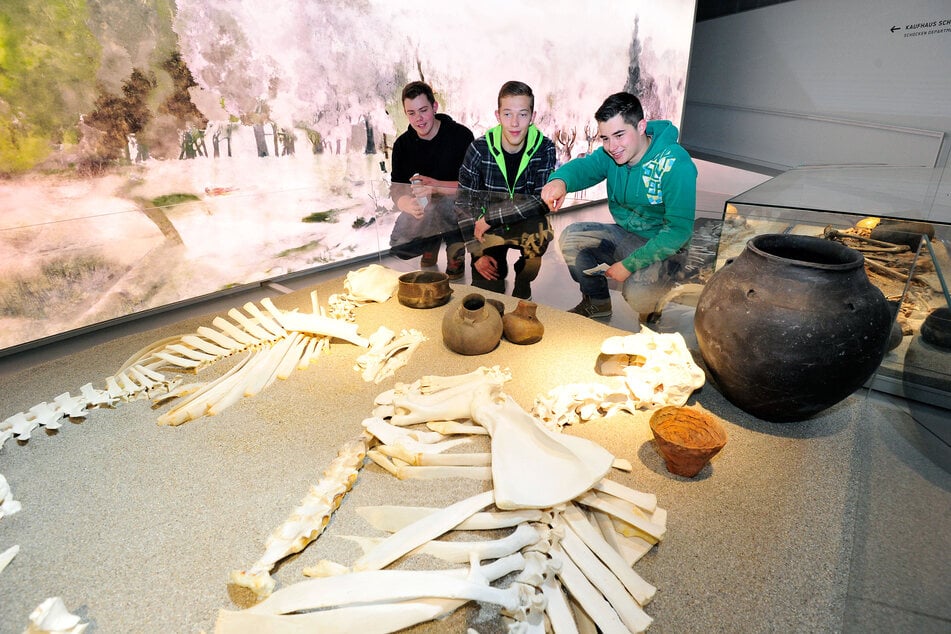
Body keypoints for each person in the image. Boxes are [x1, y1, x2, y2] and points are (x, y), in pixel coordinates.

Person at [540, 92, 697, 322]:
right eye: (605, 138)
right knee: (573, 238)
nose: (612, 146)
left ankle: (653, 305)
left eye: (619, 135)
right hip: (626, 234)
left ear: (641, 126)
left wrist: (629, 265)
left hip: (665, 245)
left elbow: (678, 231)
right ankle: (597, 303)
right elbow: (586, 167)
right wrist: (560, 180)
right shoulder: (611, 153)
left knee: (639, 295)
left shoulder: (675, 164)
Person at [455, 80, 556, 299]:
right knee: (487, 297)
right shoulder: (479, 149)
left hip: (523, 223)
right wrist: (475, 253)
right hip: (487, 231)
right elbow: (463, 203)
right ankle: (493, 269)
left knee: (539, 236)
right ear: (497, 115)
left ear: (533, 116)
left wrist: (491, 217)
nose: (515, 122)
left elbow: (540, 200)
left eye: (522, 114)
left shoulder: (545, 147)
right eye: (508, 114)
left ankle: (523, 278)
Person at [389, 81, 474, 278]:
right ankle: (430, 242)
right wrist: (406, 204)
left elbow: (472, 187)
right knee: (399, 245)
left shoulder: (461, 135)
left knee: (449, 205)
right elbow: (396, 188)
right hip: (424, 208)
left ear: (435, 107)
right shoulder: (402, 145)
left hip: (456, 204)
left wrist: (435, 187)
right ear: (405, 113)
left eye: (423, 110)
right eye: (411, 113)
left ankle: (455, 251)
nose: (418, 119)